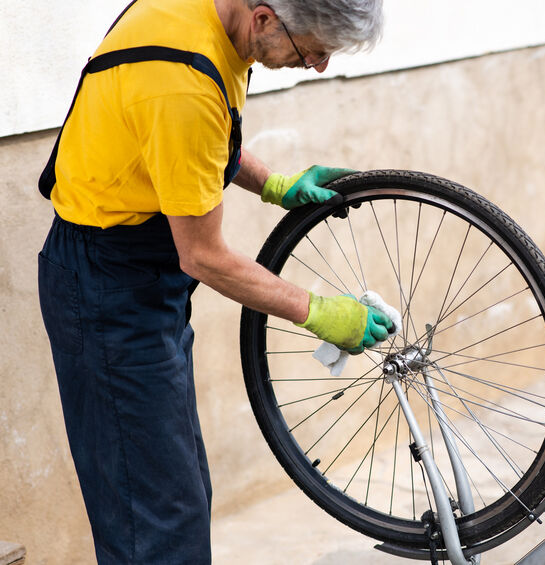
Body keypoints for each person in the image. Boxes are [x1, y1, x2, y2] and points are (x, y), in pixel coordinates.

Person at [36, 0, 387, 563]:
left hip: (136, 274)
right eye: (313, 51)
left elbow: (194, 144)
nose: (318, 65)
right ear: (267, 18)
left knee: (177, 494)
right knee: (156, 520)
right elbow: (204, 256)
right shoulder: (181, 80)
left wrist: (274, 184)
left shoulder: (211, 21)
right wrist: (319, 311)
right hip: (105, 286)